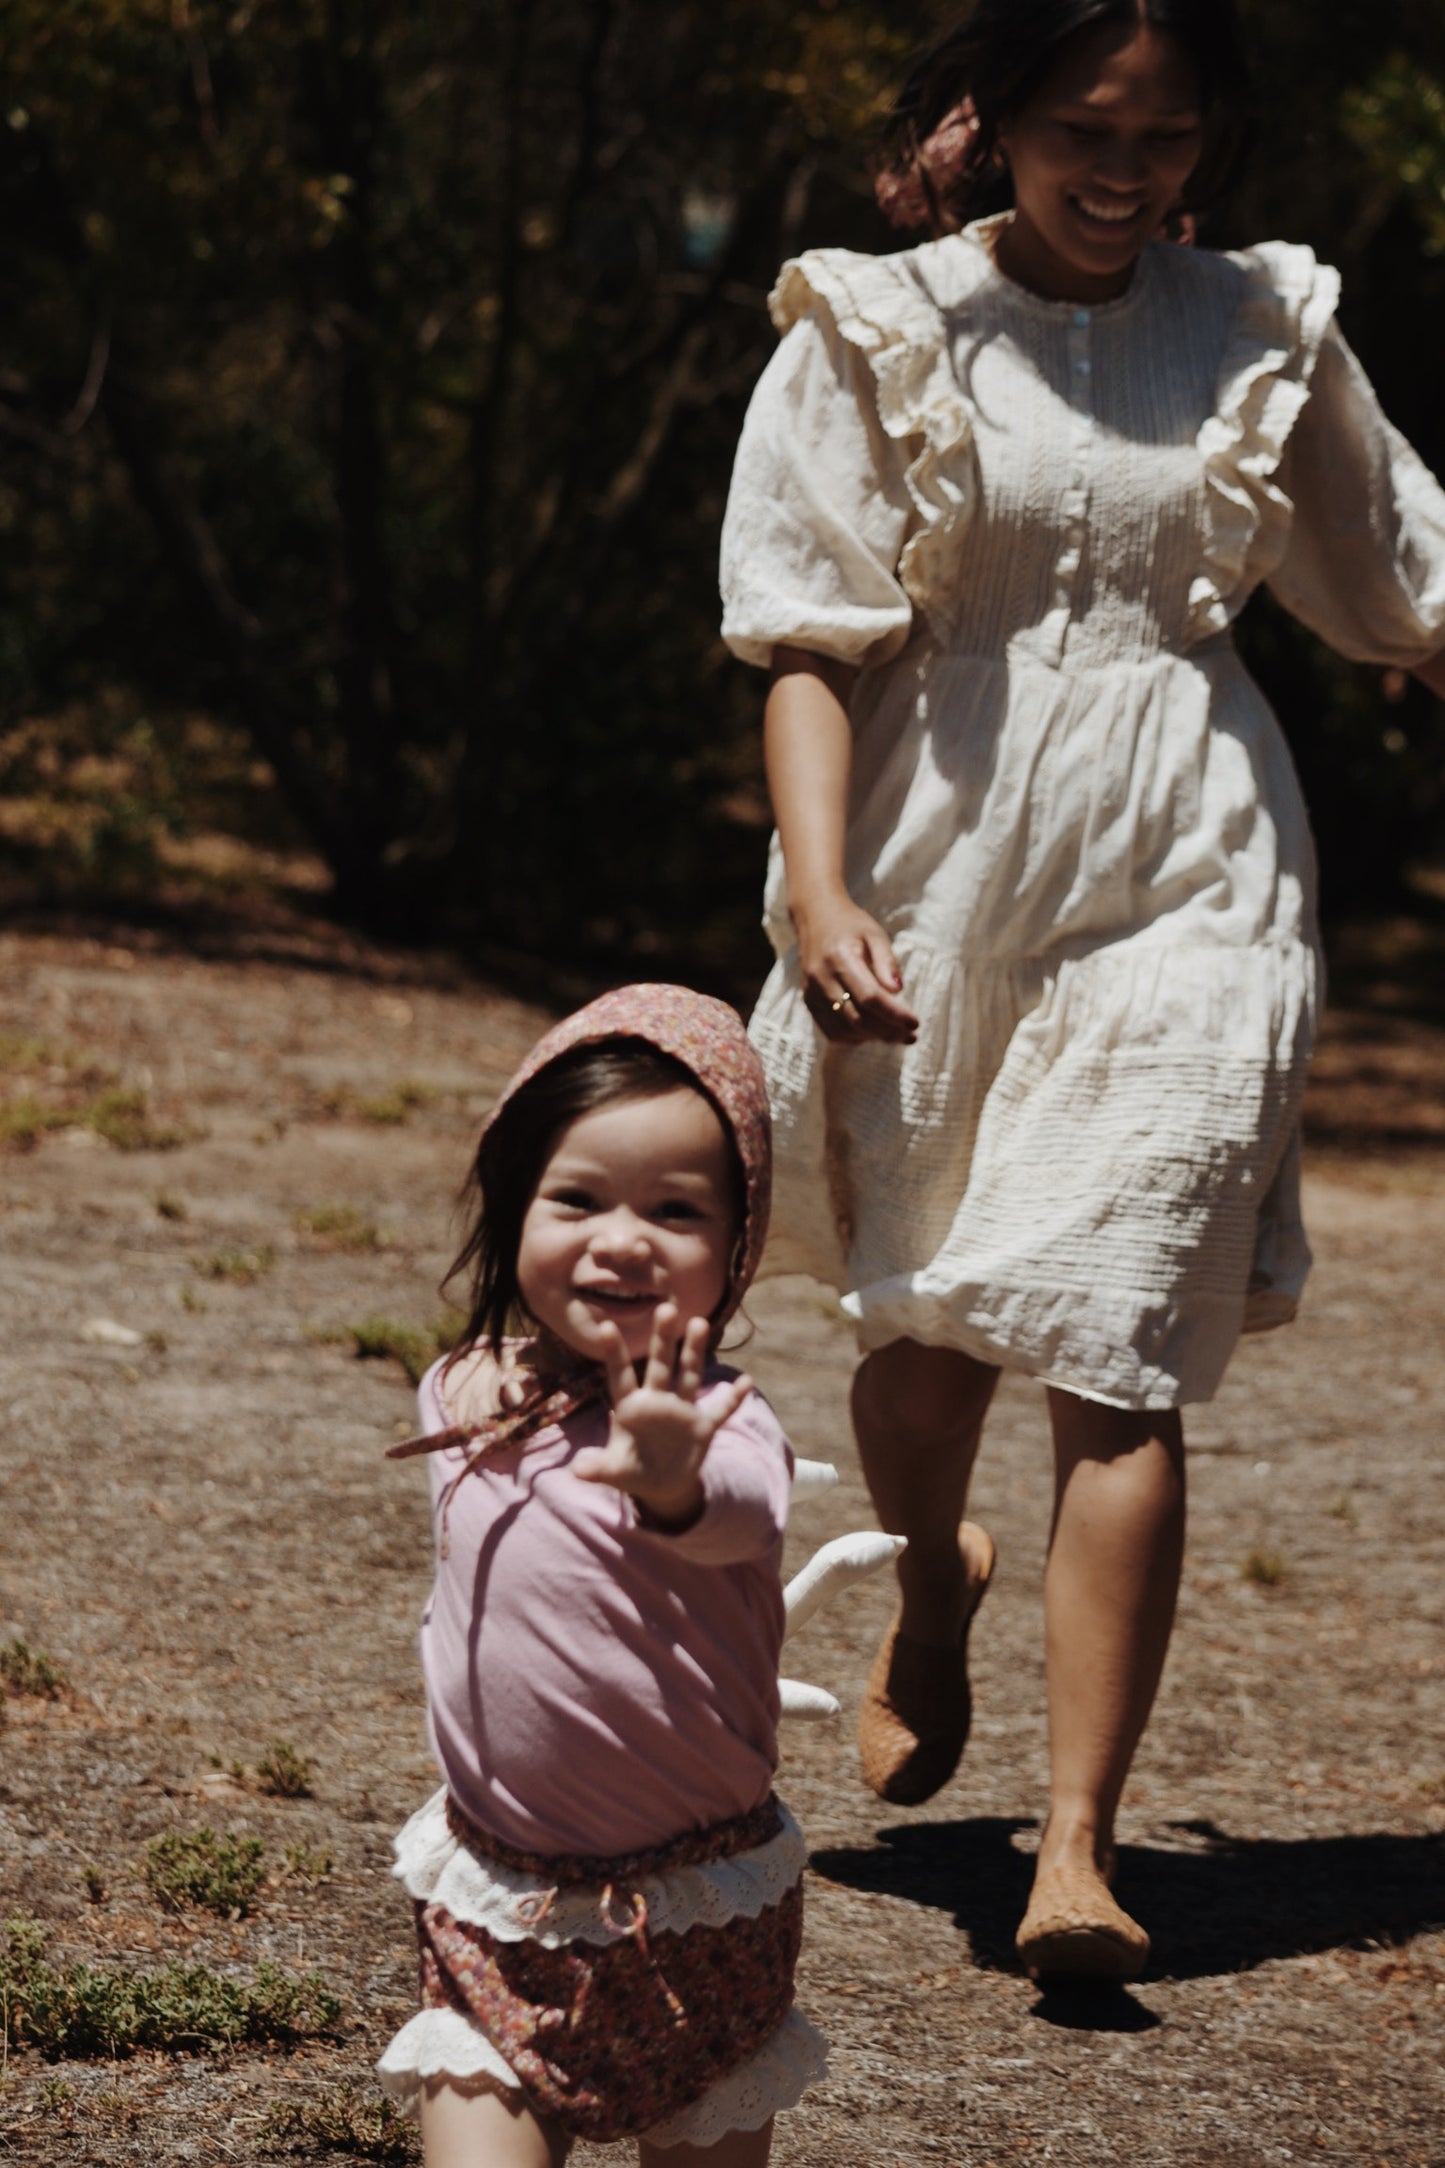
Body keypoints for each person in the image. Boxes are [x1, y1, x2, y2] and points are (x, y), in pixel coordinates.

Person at [720, 0, 1445, 1983]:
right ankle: (934, 1588)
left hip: (1192, 856)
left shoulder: (1259, 325)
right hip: (932, 855)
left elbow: (1398, 585)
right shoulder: (876, 323)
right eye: (1081, 128)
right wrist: (815, 887)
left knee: (1119, 1339)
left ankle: (1072, 1851)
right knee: (925, 1333)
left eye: (1165, 134)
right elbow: (799, 633)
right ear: (989, 118)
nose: (1124, 170)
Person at [376, 985, 826, 2166]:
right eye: (576, 1198)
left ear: (735, 1246)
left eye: (673, 1210)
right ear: (513, 1206)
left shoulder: (724, 1420)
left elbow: (736, 1517)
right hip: (499, 1903)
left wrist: (665, 1475)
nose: (620, 1237)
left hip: (697, 1917)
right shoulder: (463, 1393)